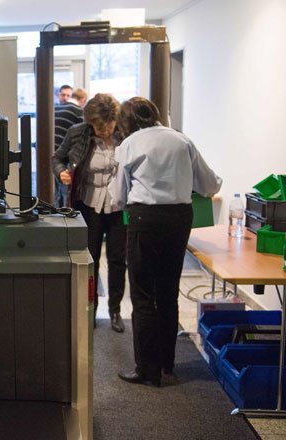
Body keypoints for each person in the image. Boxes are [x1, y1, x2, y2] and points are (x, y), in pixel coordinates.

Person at [108, 97, 222, 387]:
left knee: (143, 295)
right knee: (168, 293)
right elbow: (210, 185)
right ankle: (167, 367)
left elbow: (118, 195)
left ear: (127, 122)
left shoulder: (130, 145)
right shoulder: (182, 141)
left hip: (144, 219)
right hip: (179, 219)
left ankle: (147, 370)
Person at [51, 93, 127, 332]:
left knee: (117, 260)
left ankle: (115, 311)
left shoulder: (126, 135)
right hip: (88, 204)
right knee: (89, 259)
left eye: (108, 127)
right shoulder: (78, 132)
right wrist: (61, 172)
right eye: (98, 128)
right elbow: (57, 157)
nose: (103, 132)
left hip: (117, 206)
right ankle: (89, 310)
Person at [54, 85, 84, 207]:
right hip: (65, 155)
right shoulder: (78, 111)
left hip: (51, 154)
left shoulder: (54, 108)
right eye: (63, 94)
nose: (65, 98)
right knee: (67, 192)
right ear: (83, 101)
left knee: (54, 193)